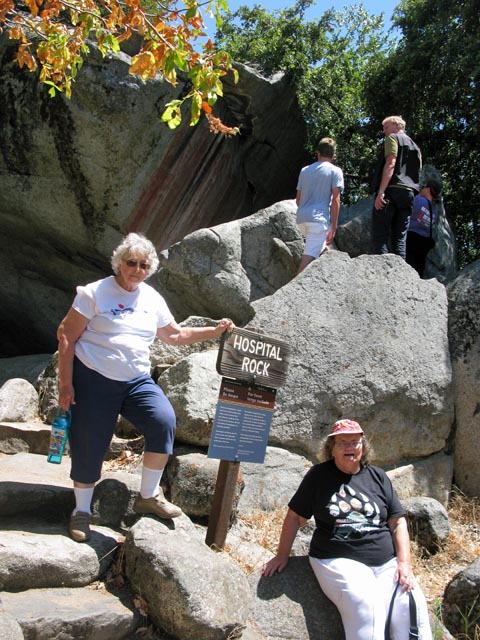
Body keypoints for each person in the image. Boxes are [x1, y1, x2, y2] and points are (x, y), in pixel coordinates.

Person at [57, 232, 234, 543]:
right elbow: (66, 335)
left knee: (163, 420)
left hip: (136, 380)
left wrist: (215, 331)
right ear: (119, 263)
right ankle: (82, 511)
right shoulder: (94, 293)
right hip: (94, 377)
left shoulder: (151, 298)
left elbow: (174, 335)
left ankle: (148, 496)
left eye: (143, 265)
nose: (137, 270)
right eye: (131, 263)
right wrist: (66, 384)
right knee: (90, 441)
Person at [262, 419, 432, 640]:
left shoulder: (377, 476)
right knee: (368, 607)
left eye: (354, 442)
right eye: (342, 443)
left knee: (411, 607)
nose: (349, 447)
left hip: (386, 563)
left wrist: (404, 563)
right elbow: (295, 517)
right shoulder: (318, 476)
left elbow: (398, 522)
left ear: (363, 446)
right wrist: (282, 555)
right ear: (331, 449)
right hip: (338, 560)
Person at [371, 116, 422, 259]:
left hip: (391, 189)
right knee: (400, 237)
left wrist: (381, 191)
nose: (384, 131)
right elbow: (418, 172)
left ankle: (382, 268)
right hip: (409, 193)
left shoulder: (392, 138)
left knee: (380, 234)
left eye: (386, 127)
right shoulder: (416, 147)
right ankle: (401, 270)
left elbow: (391, 163)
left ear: (396, 125)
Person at [295, 137, 344, 274]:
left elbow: (298, 200)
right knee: (308, 259)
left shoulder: (305, 170)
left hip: (302, 218)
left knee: (322, 249)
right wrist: (333, 227)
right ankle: (294, 286)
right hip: (318, 220)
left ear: (318, 153)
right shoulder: (335, 171)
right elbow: (335, 201)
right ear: (333, 156)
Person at [406, 179, 443, 277]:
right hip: (424, 241)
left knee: (408, 264)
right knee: (419, 268)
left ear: (428, 189)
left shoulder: (417, 200)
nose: (421, 189)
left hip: (411, 236)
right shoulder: (435, 210)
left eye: (423, 187)